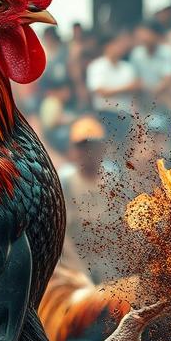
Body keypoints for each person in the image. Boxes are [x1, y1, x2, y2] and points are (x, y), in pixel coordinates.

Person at [56, 117, 121, 281]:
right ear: (74, 150)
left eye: (92, 147)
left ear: (102, 148)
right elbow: (63, 235)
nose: (87, 153)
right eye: (82, 148)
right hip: (77, 264)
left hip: (109, 263)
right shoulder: (66, 181)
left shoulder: (113, 176)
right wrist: (80, 274)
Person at [86, 32, 140, 116]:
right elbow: (101, 92)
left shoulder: (128, 67)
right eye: (116, 44)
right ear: (107, 47)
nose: (119, 48)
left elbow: (135, 91)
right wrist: (127, 88)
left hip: (127, 113)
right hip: (106, 113)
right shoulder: (96, 66)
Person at [129, 21, 171, 110]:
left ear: (157, 35)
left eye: (148, 33)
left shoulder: (168, 52)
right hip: (143, 95)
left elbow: (168, 78)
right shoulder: (136, 54)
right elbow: (135, 79)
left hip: (163, 94)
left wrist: (154, 92)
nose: (144, 37)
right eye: (143, 34)